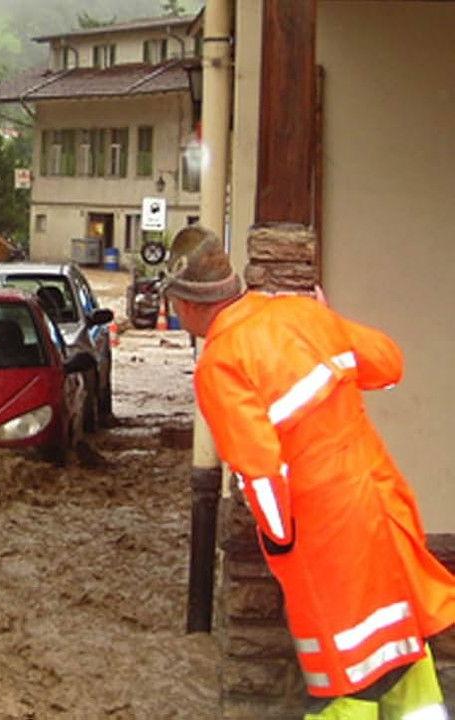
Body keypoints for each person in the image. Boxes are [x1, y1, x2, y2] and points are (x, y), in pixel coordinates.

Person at [160, 225, 454, 720]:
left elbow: (261, 473)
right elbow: (389, 364)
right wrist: (328, 322)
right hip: (383, 512)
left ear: (188, 304)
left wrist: (278, 538)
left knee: (345, 684)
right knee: (402, 658)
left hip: (328, 544)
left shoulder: (221, 363)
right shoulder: (303, 314)